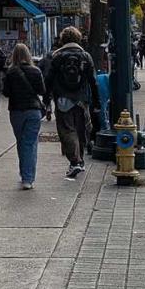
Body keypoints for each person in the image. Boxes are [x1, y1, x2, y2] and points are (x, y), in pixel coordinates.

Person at [45, 26, 101, 178]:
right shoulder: (86, 56)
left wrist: (46, 99)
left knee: (67, 130)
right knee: (81, 130)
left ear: (63, 39)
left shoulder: (57, 56)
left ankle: (75, 162)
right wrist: (96, 102)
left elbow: (49, 79)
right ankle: (80, 160)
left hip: (62, 99)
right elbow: (93, 81)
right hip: (81, 99)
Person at [2, 44, 48, 189]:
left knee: (21, 142)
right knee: (29, 143)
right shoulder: (36, 71)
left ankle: (25, 174)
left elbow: (6, 92)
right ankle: (27, 178)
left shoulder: (11, 72)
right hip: (33, 111)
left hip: (16, 111)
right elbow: (42, 90)